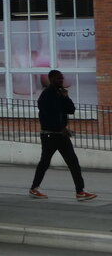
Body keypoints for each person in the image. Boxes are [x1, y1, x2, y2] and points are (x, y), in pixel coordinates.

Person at [29, 70, 97, 201]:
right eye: (58, 79)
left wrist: (66, 97)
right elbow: (46, 116)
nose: (61, 81)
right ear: (50, 79)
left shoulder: (60, 94)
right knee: (45, 162)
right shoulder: (46, 95)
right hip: (49, 135)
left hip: (61, 135)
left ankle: (80, 191)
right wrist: (60, 128)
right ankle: (34, 188)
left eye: (62, 78)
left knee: (73, 162)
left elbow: (71, 110)